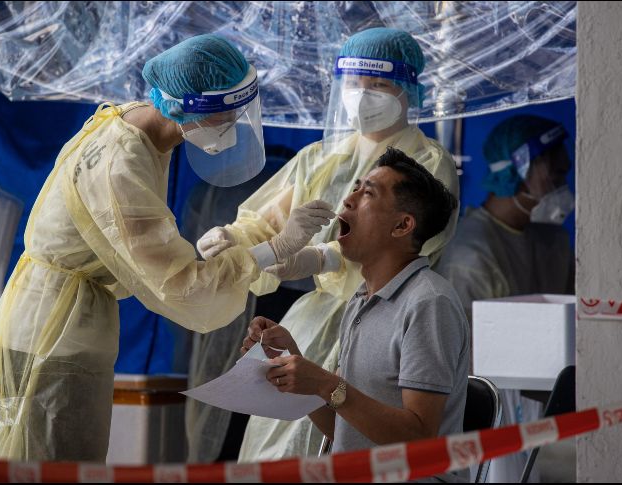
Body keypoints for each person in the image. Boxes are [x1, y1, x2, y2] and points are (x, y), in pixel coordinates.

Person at [0, 34, 334, 462]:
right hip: (53, 330)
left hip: (64, 320)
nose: (236, 123)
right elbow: (183, 286)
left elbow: (147, 246)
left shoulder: (137, 128)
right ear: (189, 107)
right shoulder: (121, 162)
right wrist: (276, 247)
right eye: (229, 113)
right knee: (52, 467)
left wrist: (223, 248)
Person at [196, 28, 460, 462]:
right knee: (276, 450)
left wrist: (321, 256)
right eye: (355, 85)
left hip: (380, 314)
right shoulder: (322, 157)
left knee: (331, 448)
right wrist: (236, 240)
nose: (363, 96)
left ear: (409, 90)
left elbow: (412, 246)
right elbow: (266, 223)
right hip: (315, 319)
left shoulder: (425, 167)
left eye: (379, 85)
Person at [242, 148, 469, 482]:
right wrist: (294, 368)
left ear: (403, 225)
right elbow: (342, 427)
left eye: (368, 193)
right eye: (357, 187)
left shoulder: (429, 303)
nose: (348, 199)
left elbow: (419, 439)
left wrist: (323, 381)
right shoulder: (361, 300)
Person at [436, 114, 575, 482]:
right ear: (517, 170)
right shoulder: (470, 256)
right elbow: (470, 369)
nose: (562, 188)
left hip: (548, 410)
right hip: (495, 418)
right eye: (554, 176)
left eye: (564, 176)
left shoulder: (554, 241)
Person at [182, 146, 312, 463]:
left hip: (231, 305)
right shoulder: (306, 174)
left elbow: (188, 271)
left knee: (228, 417)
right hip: (291, 304)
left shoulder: (213, 188)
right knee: (274, 417)